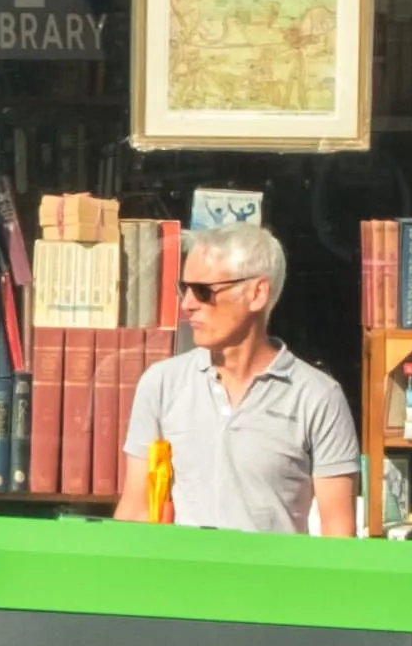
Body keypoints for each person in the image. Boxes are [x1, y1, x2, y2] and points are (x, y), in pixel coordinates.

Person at [119, 219, 365, 535]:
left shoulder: (317, 397)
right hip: (181, 567)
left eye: (203, 291)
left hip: (276, 568)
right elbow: (136, 509)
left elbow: (338, 531)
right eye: (184, 288)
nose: (187, 304)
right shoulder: (161, 384)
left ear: (257, 294)